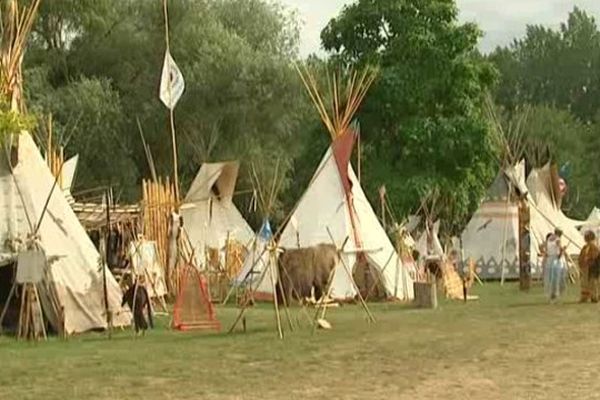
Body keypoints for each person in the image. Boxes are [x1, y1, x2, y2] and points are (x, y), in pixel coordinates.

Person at [544, 229, 566, 302]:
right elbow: (560, 249)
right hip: (555, 260)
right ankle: (555, 294)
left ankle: (551, 294)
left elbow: (543, 248)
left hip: (549, 259)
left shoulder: (549, 239)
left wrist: (546, 253)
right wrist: (563, 250)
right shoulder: (557, 239)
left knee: (550, 277)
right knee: (556, 277)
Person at [579, 231, 600, 303]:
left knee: (592, 283)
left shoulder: (594, 247)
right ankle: (584, 297)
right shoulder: (585, 247)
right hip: (585, 267)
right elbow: (581, 256)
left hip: (592, 268)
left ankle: (594, 297)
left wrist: (589, 259)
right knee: (584, 283)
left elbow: (595, 257)